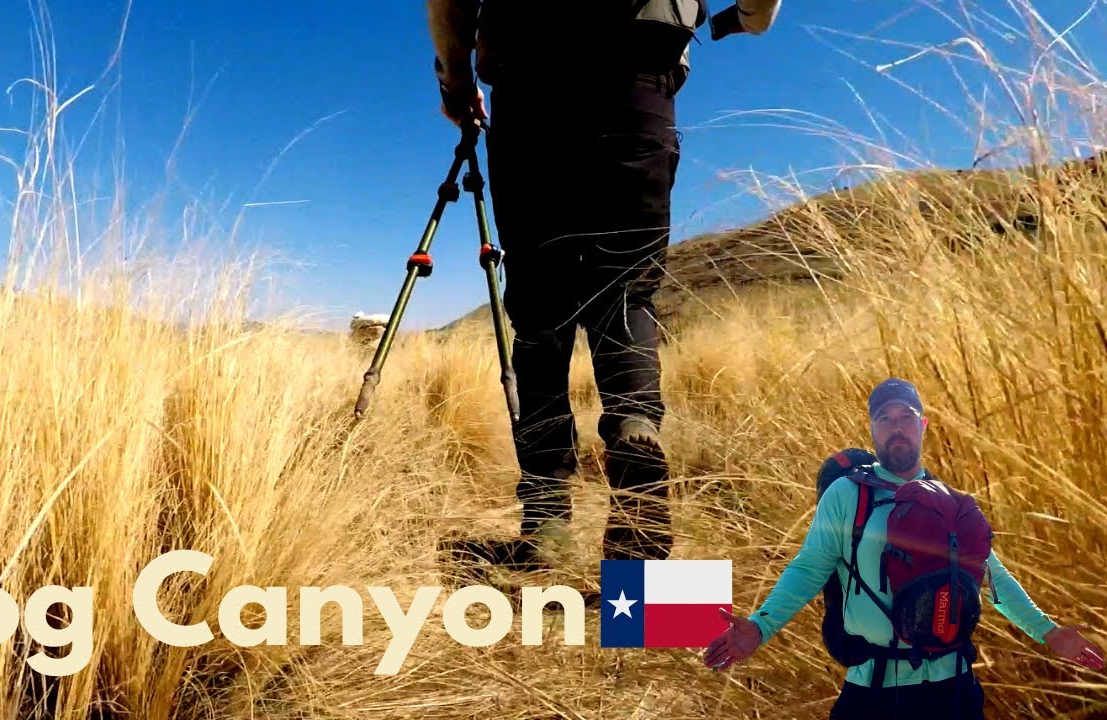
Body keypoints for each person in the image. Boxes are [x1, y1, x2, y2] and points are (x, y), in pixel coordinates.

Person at [424, 1, 782, 570]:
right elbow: (761, 8)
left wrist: (456, 82)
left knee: (541, 314)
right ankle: (635, 444)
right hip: (640, 87)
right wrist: (742, 19)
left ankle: (546, 530)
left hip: (529, 92)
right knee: (627, 293)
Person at [702, 377, 1106, 718]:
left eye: (906, 418)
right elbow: (810, 568)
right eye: (885, 419)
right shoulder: (848, 494)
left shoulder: (951, 502)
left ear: (923, 425)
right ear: (873, 430)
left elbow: (992, 577)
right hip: (875, 689)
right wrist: (761, 625)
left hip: (954, 687)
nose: (897, 428)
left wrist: (1048, 633)